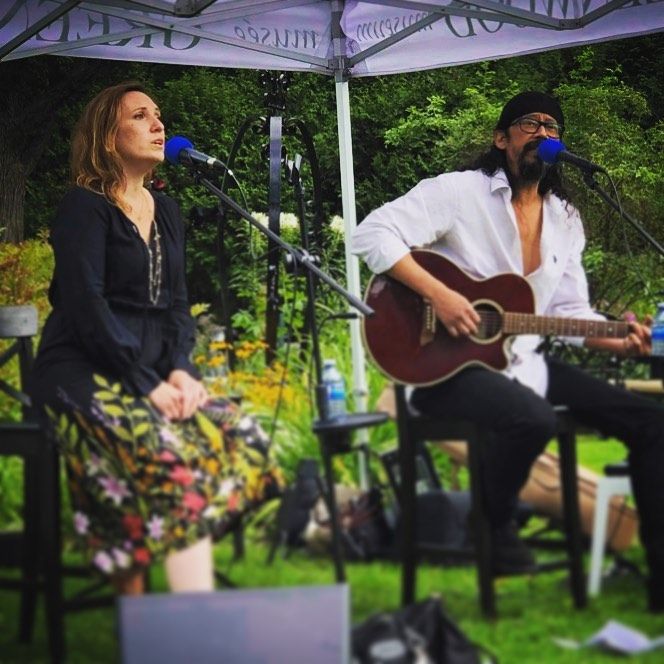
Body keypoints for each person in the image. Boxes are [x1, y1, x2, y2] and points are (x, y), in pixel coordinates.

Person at [352, 91, 664, 612]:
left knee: (652, 422)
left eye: (552, 127)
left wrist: (616, 337)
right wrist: (440, 295)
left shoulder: (566, 218)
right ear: (502, 139)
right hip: (440, 367)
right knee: (532, 419)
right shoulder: (460, 192)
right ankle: (489, 521)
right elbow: (371, 233)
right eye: (529, 124)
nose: (543, 133)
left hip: (522, 360)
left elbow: (569, 313)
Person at [32, 81, 280, 595]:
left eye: (158, 115)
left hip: (153, 375)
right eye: (140, 116)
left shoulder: (167, 210)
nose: (158, 124)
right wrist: (145, 383)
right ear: (107, 138)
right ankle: (188, 615)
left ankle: (159, 584)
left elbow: (176, 305)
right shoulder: (83, 207)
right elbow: (84, 304)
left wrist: (182, 370)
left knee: (241, 434)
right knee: (166, 453)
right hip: (80, 373)